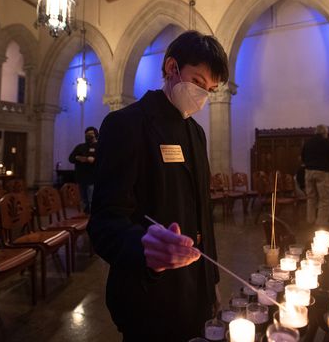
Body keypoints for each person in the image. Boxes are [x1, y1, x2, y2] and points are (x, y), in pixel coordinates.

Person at [89, 31, 228, 341]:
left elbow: (202, 212)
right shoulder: (127, 124)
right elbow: (104, 223)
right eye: (198, 82)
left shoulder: (196, 132)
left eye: (211, 89)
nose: (203, 96)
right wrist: (143, 247)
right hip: (149, 294)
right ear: (171, 68)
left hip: (195, 292)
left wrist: (212, 280)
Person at [301, 124, 329, 226]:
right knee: (325, 199)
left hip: (308, 172)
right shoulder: (327, 142)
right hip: (323, 172)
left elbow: (303, 157)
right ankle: (320, 223)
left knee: (311, 197)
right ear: (325, 133)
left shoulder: (307, 142)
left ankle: (310, 220)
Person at [68, 126, 99, 214]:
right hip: (81, 178)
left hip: (93, 179)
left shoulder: (99, 146)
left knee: (92, 200)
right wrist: (78, 158)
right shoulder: (80, 147)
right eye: (87, 134)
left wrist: (93, 160)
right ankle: (85, 216)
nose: (88, 136)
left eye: (90, 134)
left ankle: (93, 218)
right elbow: (71, 158)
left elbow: (104, 160)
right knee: (83, 201)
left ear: (96, 135)